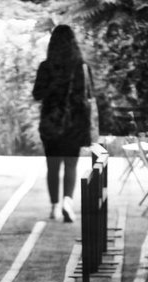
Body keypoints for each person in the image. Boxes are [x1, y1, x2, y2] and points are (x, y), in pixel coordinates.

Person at [33, 24, 94, 223]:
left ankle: (54, 206)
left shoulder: (46, 66)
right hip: (75, 123)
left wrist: (52, 87)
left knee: (52, 166)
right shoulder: (82, 67)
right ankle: (68, 201)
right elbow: (90, 96)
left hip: (51, 122)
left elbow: (37, 94)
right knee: (70, 165)